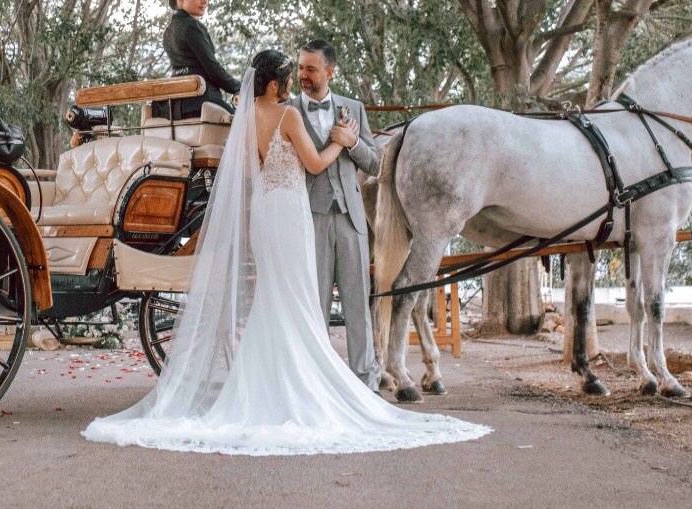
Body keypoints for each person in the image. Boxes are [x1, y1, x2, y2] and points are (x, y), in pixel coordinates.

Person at [82, 50, 490, 456]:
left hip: (269, 210)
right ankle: (303, 382)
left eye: (308, 70)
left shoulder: (247, 118)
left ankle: (280, 381)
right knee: (297, 297)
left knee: (277, 295)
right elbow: (314, 165)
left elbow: (251, 174)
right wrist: (340, 142)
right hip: (293, 210)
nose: (297, 80)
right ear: (276, 83)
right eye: (292, 75)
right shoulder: (288, 115)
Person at [291, 40, 382, 389]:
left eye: (311, 69)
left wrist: (353, 143)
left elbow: (375, 164)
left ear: (330, 72)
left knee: (357, 302)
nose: (303, 75)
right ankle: (319, 384)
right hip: (310, 217)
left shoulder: (353, 108)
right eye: (301, 67)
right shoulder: (288, 111)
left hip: (351, 218)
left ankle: (366, 383)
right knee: (315, 305)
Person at [160, 0, 239, 120]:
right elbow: (213, 70)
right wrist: (240, 88)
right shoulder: (192, 27)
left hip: (176, 106)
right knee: (243, 122)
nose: (204, 1)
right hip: (201, 102)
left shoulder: (169, 30)